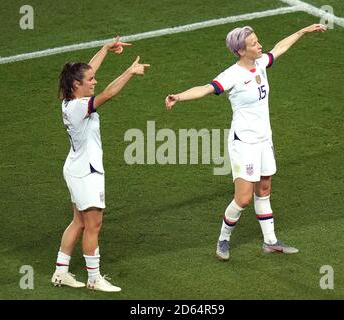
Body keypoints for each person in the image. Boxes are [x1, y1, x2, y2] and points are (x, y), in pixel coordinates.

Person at [165, 24, 327, 260]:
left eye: (258, 41)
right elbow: (205, 89)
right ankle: (223, 240)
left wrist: (303, 31)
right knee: (242, 199)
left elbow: (280, 48)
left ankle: (270, 242)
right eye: (254, 44)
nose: (259, 45)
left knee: (264, 189)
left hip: (264, 139)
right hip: (245, 143)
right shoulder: (232, 75)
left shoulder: (260, 63)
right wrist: (178, 96)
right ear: (241, 51)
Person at [52, 37, 150, 291]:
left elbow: (89, 73)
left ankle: (61, 271)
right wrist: (129, 71)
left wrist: (104, 50)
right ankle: (94, 279)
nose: (94, 81)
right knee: (93, 224)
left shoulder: (68, 97)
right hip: (87, 172)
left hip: (76, 167)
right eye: (90, 80)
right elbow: (108, 93)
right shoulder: (78, 107)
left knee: (79, 222)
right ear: (77, 85)